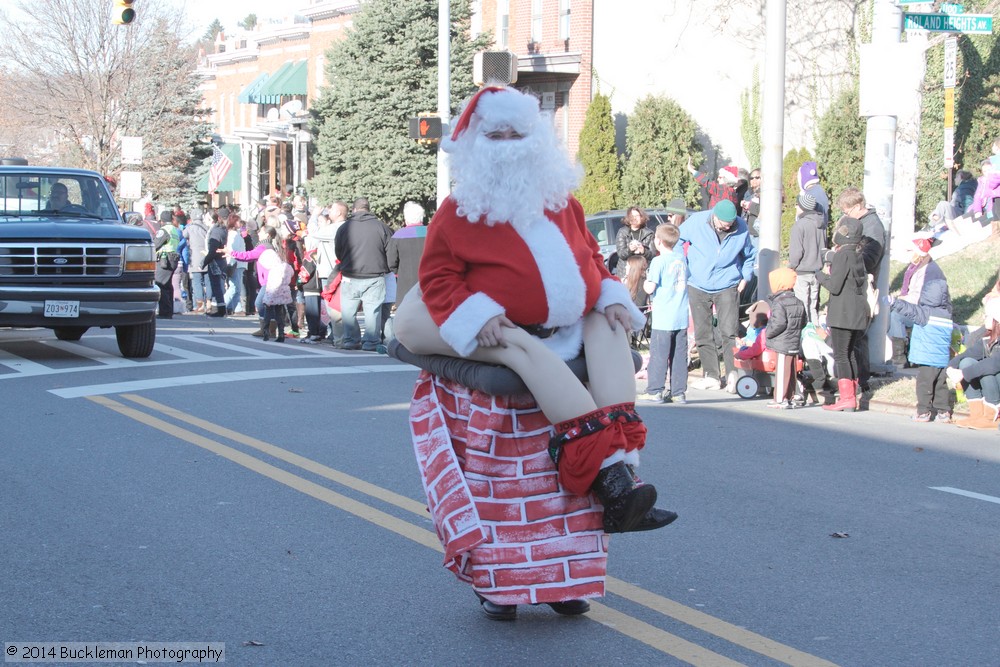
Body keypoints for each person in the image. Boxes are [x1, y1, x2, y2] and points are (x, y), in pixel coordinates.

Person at [394, 86, 677, 618]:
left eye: (516, 135)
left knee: (610, 331)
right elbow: (436, 278)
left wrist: (609, 295)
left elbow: (589, 255)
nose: (506, 145)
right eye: (494, 136)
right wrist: (481, 318)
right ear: (475, 146)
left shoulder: (563, 203)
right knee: (507, 501)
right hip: (506, 346)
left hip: (567, 336)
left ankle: (617, 481)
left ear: (537, 141)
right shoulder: (458, 213)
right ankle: (502, 585)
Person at [678, 199, 758, 392]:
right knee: (703, 332)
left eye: (731, 223)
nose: (728, 226)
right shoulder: (697, 222)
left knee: (729, 331)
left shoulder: (741, 228)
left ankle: (733, 374)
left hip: (728, 283)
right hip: (698, 282)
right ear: (714, 216)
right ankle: (711, 375)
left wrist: (745, 277)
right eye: (724, 223)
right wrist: (682, 265)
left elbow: (749, 255)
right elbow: (677, 240)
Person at [815, 217, 870, 412]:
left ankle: (846, 398)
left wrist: (820, 275)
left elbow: (834, 286)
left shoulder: (842, 256)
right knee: (850, 353)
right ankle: (852, 396)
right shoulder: (858, 256)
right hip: (857, 312)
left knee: (840, 355)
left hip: (842, 313)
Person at [836, 187, 886, 394]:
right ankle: (855, 379)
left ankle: (860, 380)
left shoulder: (872, 227)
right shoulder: (862, 223)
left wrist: (849, 260)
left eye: (847, 212)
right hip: (855, 282)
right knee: (854, 335)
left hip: (863, 284)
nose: (845, 216)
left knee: (857, 336)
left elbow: (871, 257)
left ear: (858, 207)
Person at [887, 275, 954, 423]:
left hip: (927, 358)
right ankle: (943, 411)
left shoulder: (925, 314)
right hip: (941, 359)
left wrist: (893, 302)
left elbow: (908, 309)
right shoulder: (947, 314)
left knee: (924, 385)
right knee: (940, 385)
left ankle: (923, 412)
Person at [639, 223, 689, 404]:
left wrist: (644, 281)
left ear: (658, 241)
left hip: (663, 317)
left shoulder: (658, 261)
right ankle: (678, 392)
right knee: (678, 355)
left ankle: (655, 390)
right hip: (681, 315)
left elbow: (650, 287)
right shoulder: (681, 259)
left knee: (659, 354)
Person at [335, 197, 393, 351]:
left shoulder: (344, 228)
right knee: (372, 311)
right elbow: (390, 252)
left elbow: (338, 252)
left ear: (354, 209)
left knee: (348, 311)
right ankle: (371, 342)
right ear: (369, 209)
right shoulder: (382, 227)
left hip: (350, 275)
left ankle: (351, 340)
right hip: (375, 275)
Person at [887, 237, 947, 367]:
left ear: (918, 253)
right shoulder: (918, 265)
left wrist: (899, 300)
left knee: (895, 316)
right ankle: (903, 355)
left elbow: (918, 298)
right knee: (890, 312)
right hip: (920, 309)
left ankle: (899, 358)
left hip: (927, 312)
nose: (907, 253)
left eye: (910, 250)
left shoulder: (928, 270)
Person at [947, 296, 1000, 430]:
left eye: (987, 315)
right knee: (966, 362)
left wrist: (962, 374)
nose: (983, 318)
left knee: (986, 369)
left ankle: (991, 417)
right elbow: (968, 353)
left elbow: (995, 363)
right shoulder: (989, 337)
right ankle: (977, 415)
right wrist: (951, 368)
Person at [763, 268, 808, 409]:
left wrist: (768, 333)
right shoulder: (798, 301)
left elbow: (778, 323)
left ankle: (780, 398)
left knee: (782, 370)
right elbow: (804, 321)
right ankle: (791, 396)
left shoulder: (779, 302)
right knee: (791, 371)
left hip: (782, 342)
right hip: (794, 340)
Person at [788, 193, 828, 323]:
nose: (795, 207)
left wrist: (791, 267)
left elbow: (796, 252)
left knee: (802, 305)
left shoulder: (799, 226)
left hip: (802, 272)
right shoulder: (821, 225)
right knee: (813, 306)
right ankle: (815, 332)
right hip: (817, 271)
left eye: (797, 205)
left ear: (802, 207)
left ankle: (805, 336)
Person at [386, 201, 428, 308]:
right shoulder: (432, 233)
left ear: (406, 218)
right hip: (428, 281)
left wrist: (399, 272)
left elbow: (391, 262)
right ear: (421, 217)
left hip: (406, 283)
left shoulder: (398, 236)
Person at [614, 206, 655, 279]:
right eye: (632, 216)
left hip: (642, 271)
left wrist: (643, 251)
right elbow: (621, 254)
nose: (635, 218)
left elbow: (653, 255)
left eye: (637, 216)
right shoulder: (622, 232)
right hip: (625, 271)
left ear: (642, 217)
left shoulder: (649, 233)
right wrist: (630, 249)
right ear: (628, 218)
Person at [153, 211, 180, 319]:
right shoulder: (174, 229)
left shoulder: (164, 230)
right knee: (168, 285)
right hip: (172, 259)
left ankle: (165, 312)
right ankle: (169, 311)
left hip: (165, 259)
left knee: (161, 284)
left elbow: (155, 244)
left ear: (162, 220)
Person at [183, 211, 211, 313]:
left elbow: (183, 236)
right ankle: (209, 304)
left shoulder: (190, 228)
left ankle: (200, 305)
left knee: (197, 282)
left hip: (195, 258)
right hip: (206, 257)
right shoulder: (206, 228)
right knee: (208, 282)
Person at [204, 211, 229, 317]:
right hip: (219, 260)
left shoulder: (216, 231)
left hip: (215, 260)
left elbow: (213, 248)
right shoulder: (221, 229)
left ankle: (220, 309)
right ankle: (218, 308)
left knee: (216, 285)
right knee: (217, 285)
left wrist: (205, 261)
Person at [742, 168, 762, 247]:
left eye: (757, 177)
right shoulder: (748, 192)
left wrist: (749, 206)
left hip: (757, 231)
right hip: (747, 229)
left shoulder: (764, 192)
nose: (754, 180)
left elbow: (764, 210)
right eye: (751, 178)